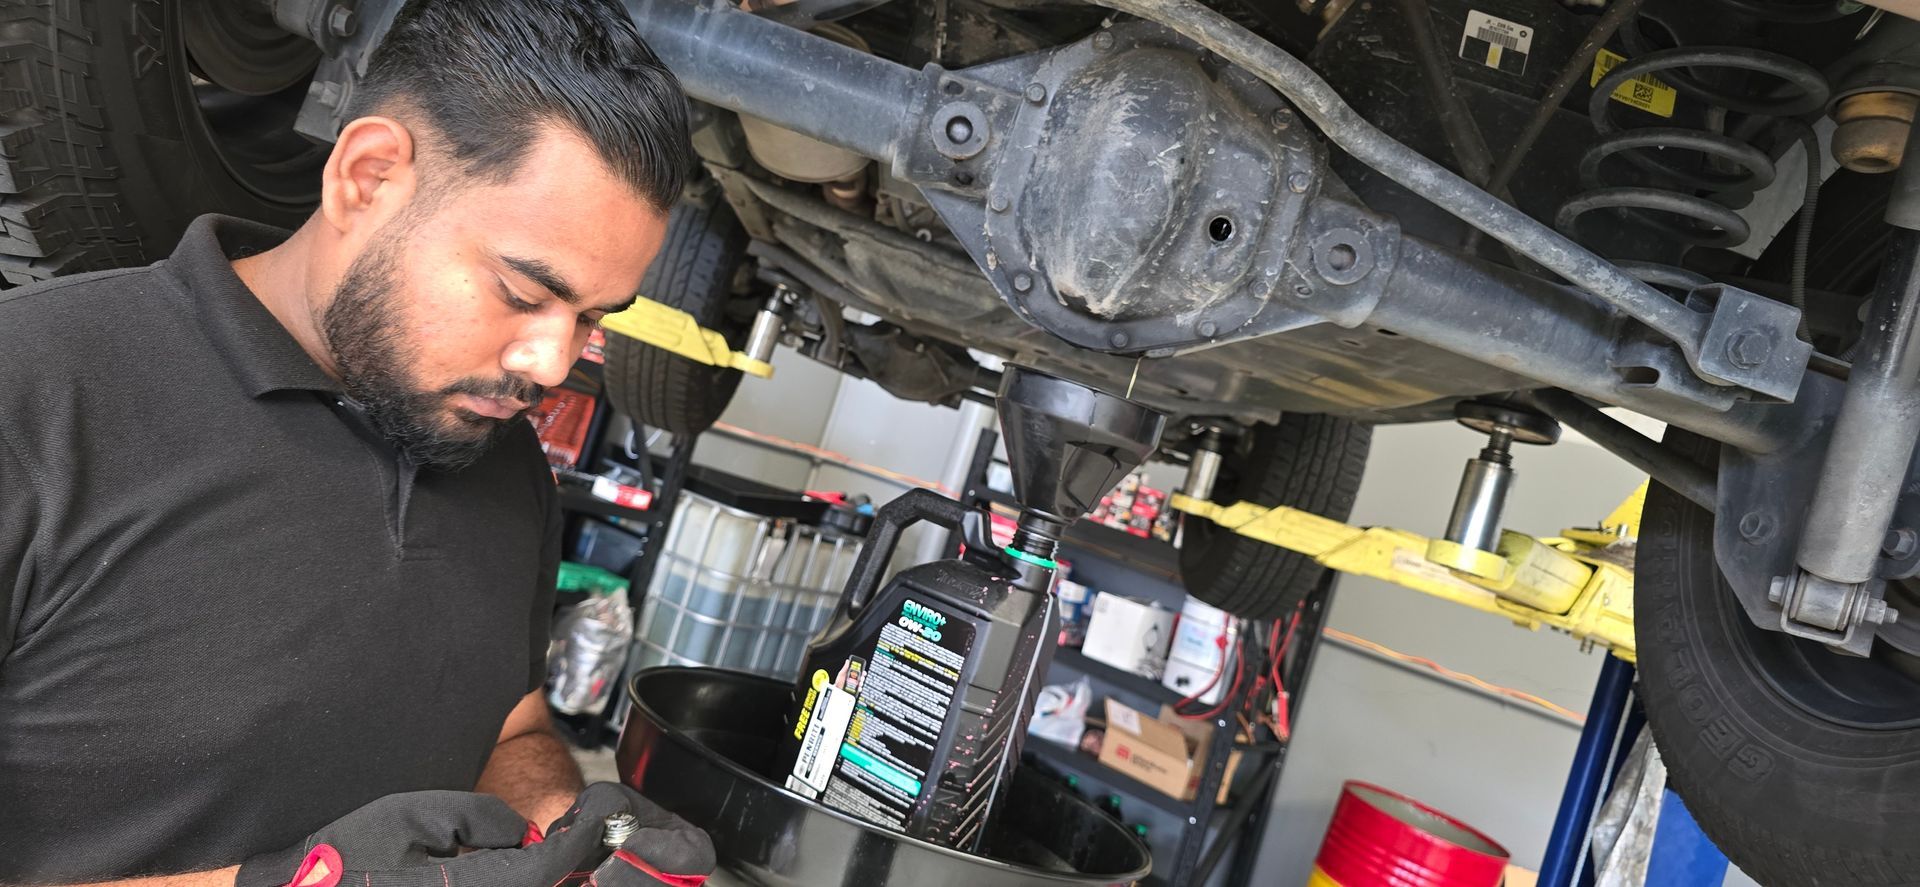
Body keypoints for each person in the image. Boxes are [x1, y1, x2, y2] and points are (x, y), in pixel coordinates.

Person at [0, 1, 712, 885]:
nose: (552, 363)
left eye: (592, 319)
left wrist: (556, 834)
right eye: (524, 294)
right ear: (367, 178)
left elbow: (512, 727)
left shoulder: (507, 465)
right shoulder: (32, 395)